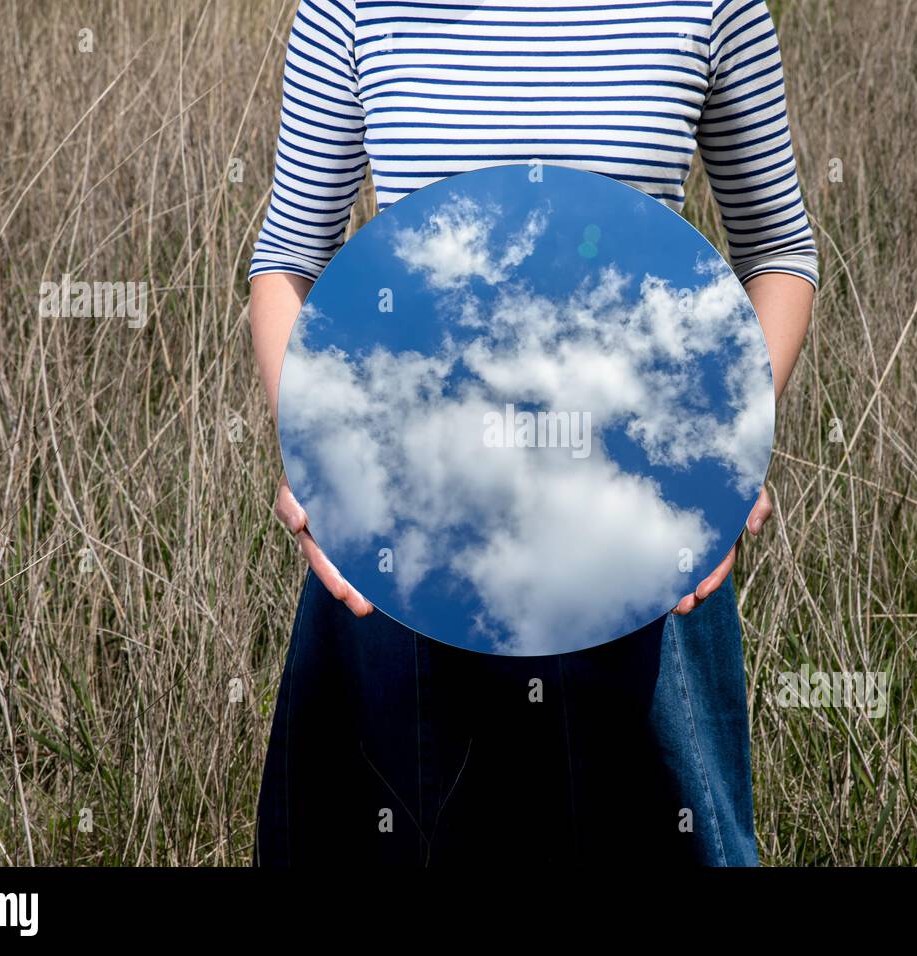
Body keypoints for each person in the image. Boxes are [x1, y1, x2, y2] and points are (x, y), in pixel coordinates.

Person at [248, 0, 817, 865]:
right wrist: (321, 462)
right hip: (410, 520)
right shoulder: (352, 7)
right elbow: (288, 256)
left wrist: (724, 442)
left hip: (636, 522)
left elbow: (780, 249)